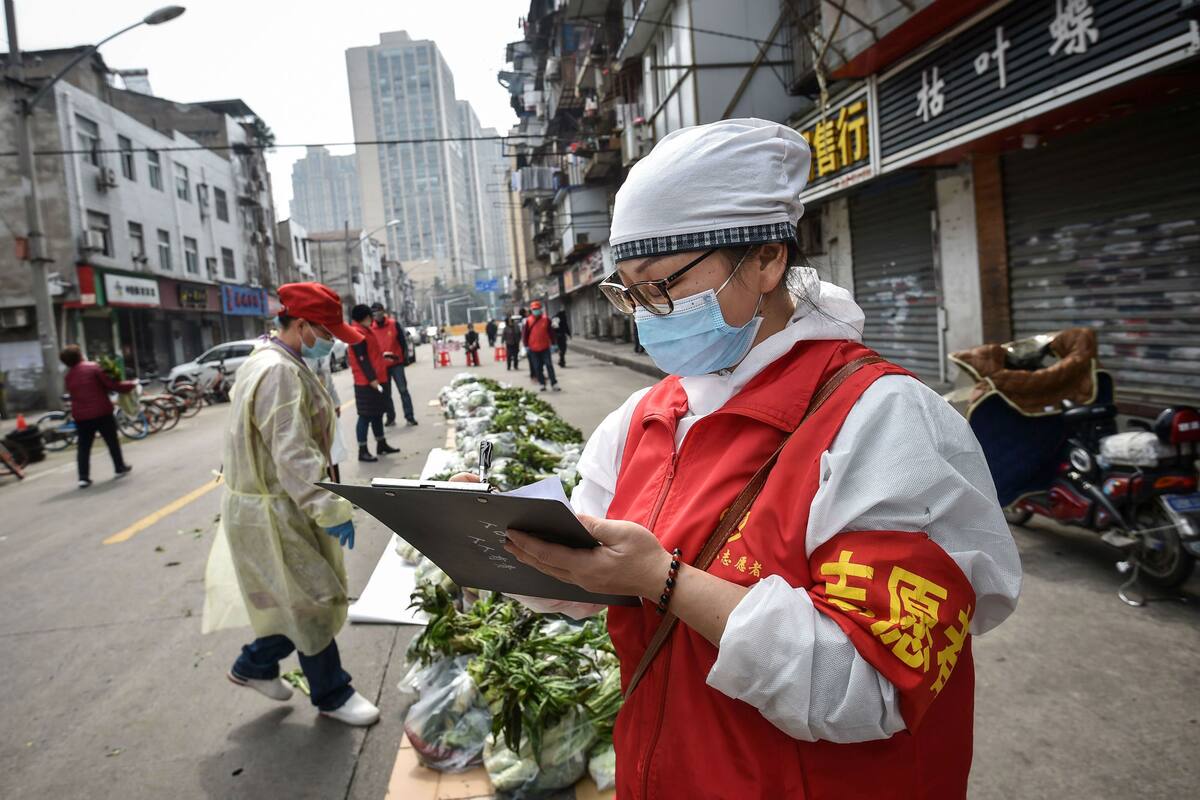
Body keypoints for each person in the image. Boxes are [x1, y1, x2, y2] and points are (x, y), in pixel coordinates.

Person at [458, 119, 1021, 797]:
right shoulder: (643, 420)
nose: (647, 314)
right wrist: (501, 541)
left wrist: (665, 579)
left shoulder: (884, 420)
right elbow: (591, 568)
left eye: (662, 286)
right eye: (629, 293)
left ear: (766, 260)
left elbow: (871, 683)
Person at [222, 282, 380, 726]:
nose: (330, 342)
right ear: (303, 325)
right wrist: (329, 508)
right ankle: (332, 694)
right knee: (315, 599)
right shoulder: (278, 372)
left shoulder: (274, 359)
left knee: (293, 600)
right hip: (275, 508)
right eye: (326, 333)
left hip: (274, 504)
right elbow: (293, 454)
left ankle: (254, 664)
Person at [60, 344, 134, 488]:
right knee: (111, 441)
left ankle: (83, 477)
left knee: (84, 447)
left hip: (81, 416)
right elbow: (111, 385)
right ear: (80, 355)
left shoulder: (68, 377)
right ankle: (119, 467)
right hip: (101, 412)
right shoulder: (93, 367)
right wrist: (130, 385)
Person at [348, 304, 401, 462]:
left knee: (378, 413)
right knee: (365, 416)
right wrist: (372, 379)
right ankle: (362, 449)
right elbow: (362, 359)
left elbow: (371, 353)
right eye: (370, 316)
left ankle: (381, 443)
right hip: (366, 382)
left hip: (378, 378)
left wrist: (384, 355)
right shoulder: (357, 333)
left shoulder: (366, 330)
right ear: (365, 317)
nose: (373, 319)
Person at [369, 302, 418, 428]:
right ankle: (390, 417)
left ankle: (410, 417)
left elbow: (402, 342)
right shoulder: (371, 328)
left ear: (383, 311)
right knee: (386, 394)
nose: (377, 315)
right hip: (382, 366)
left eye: (378, 311)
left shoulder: (393, 324)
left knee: (403, 390)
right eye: (374, 313)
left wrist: (405, 358)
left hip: (396, 363)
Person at [523, 301, 560, 392]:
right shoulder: (528, 321)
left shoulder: (546, 319)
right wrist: (526, 346)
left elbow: (551, 333)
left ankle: (554, 383)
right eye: (534, 309)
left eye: (537, 309)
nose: (536, 311)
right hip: (533, 348)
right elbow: (525, 334)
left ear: (540, 309)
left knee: (549, 365)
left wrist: (554, 344)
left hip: (545, 347)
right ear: (532, 310)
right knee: (537, 367)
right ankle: (542, 383)